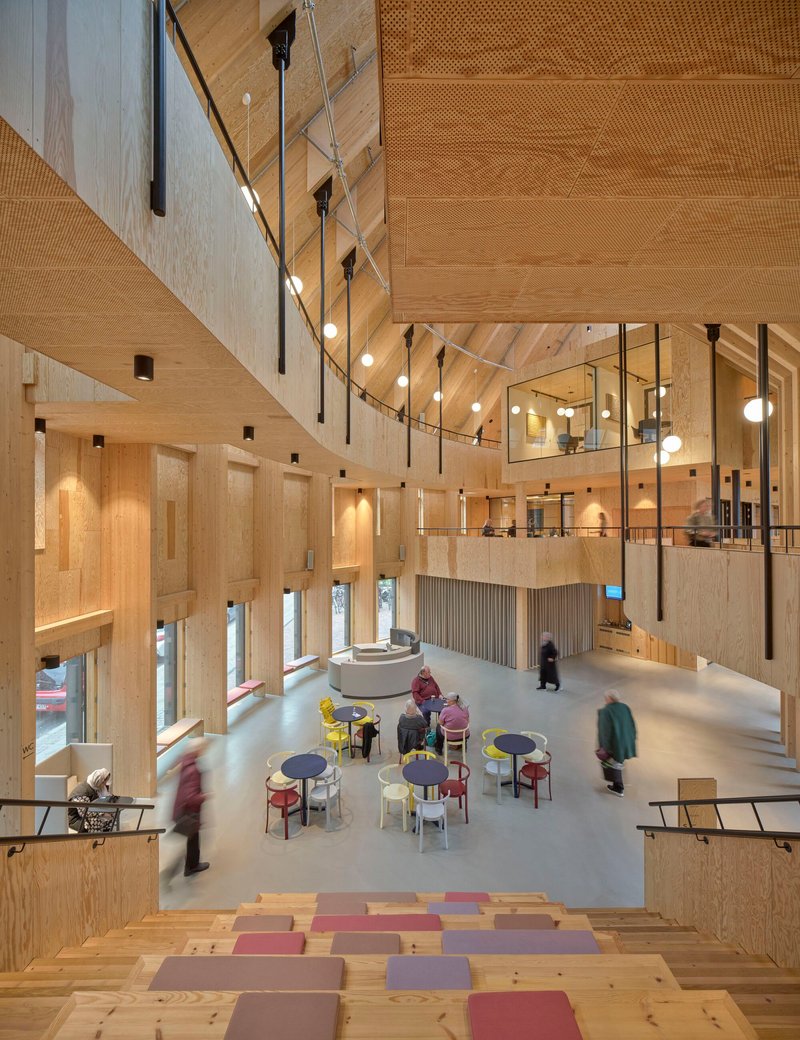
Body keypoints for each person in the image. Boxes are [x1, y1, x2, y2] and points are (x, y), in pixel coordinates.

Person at [172, 738, 210, 877]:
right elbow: (191, 796)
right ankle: (191, 866)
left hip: (181, 808)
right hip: (189, 811)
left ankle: (191, 864)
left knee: (192, 838)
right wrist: (204, 796)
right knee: (193, 838)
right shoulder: (193, 770)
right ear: (198, 750)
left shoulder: (184, 761)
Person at [597, 691, 637, 797]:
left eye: (606, 699)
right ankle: (617, 784)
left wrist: (603, 747)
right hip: (627, 741)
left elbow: (604, 731)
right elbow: (632, 724)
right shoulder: (625, 707)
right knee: (619, 762)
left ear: (610, 699)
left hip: (615, 743)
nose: (605, 701)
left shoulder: (606, 711)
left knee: (615, 763)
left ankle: (619, 788)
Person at [68, 768, 114, 833]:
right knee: (97, 821)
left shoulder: (96, 787)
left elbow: (106, 798)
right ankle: (95, 840)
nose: (105, 784)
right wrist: (104, 814)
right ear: (98, 780)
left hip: (92, 813)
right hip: (77, 819)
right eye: (103, 782)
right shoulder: (82, 794)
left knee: (113, 818)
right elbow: (85, 813)